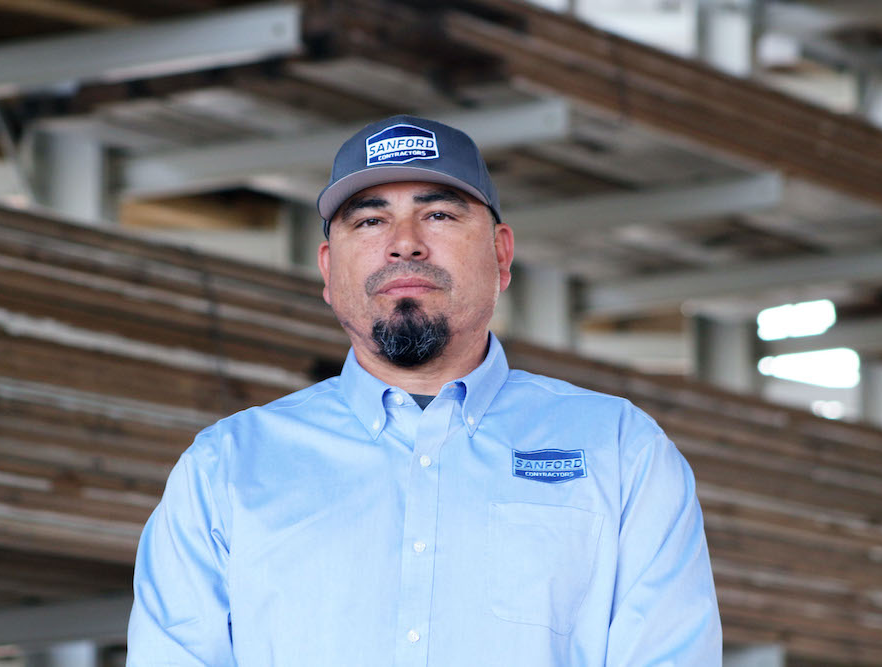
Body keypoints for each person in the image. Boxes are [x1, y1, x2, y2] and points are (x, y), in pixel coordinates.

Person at [127, 115, 722, 665]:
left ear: (501, 254)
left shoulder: (620, 452)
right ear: (329, 271)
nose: (404, 242)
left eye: (438, 215)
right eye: (369, 220)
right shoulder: (226, 469)